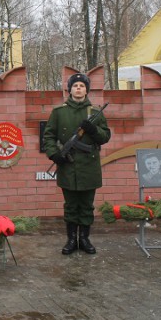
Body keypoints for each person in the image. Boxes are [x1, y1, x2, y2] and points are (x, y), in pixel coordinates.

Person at [43, 73, 111, 255]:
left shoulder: (95, 112)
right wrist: (55, 154)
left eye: (82, 85)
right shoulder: (59, 112)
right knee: (71, 205)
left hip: (89, 166)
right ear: (70, 89)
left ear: (86, 89)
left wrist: (93, 130)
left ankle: (85, 239)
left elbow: (105, 137)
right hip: (68, 166)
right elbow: (48, 136)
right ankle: (71, 239)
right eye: (75, 86)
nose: (79, 88)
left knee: (87, 205)